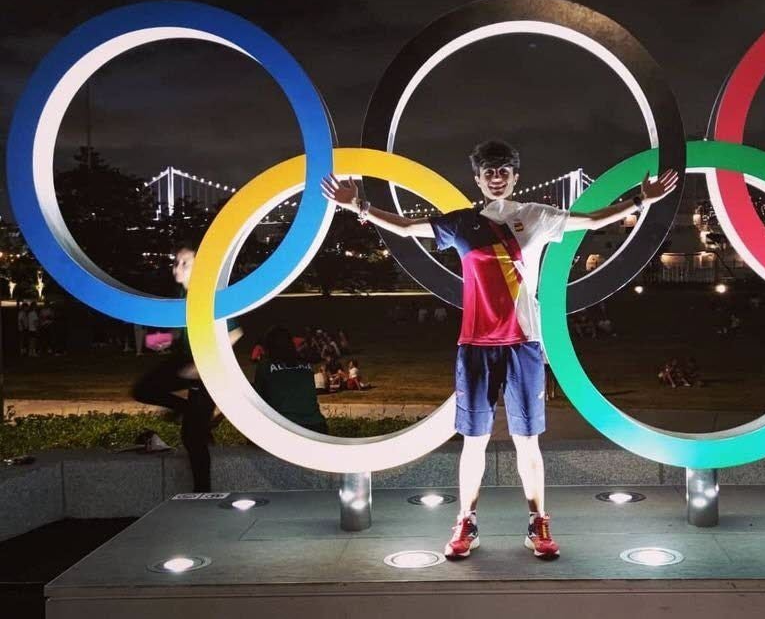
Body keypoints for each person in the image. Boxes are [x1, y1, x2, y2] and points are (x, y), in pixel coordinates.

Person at [322, 139, 677, 560]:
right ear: (477, 179)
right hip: (475, 345)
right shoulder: (461, 224)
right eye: (488, 172)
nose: (495, 177)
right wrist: (358, 205)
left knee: (528, 440)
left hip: (524, 345)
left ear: (515, 177)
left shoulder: (536, 217)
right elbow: (404, 227)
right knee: (474, 441)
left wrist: (641, 199)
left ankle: (538, 524)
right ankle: (465, 524)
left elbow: (596, 221)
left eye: (503, 170)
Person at [131, 246, 242, 492]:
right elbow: (178, 331)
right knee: (142, 389)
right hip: (188, 361)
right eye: (175, 262)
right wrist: (161, 341)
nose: (177, 267)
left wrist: (205, 363)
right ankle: (186, 409)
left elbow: (235, 332)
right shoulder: (181, 293)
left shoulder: (211, 294)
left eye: (185, 263)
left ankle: (202, 493)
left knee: (192, 438)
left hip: (211, 368)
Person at [253, 326, 329, 434]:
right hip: (317, 426)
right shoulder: (306, 364)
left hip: (288, 426)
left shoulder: (265, 366)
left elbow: (259, 400)